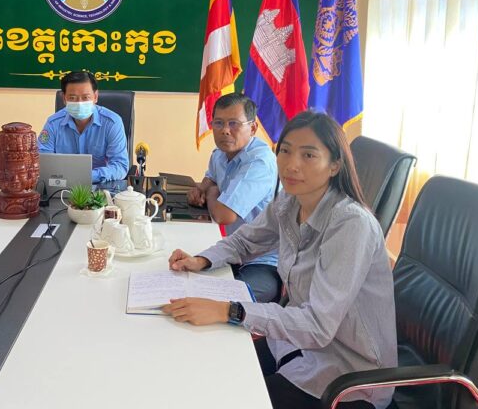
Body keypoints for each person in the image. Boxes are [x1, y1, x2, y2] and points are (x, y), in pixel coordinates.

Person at [164, 111, 397, 409]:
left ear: (335, 165)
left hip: (347, 376)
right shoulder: (289, 202)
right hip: (294, 346)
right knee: (208, 368)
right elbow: (246, 240)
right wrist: (202, 260)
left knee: (226, 399)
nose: (291, 164)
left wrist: (230, 310)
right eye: (285, 151)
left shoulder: (350, 225)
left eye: (308, 155)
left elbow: (317, 325)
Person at [187, 93, 279, 302]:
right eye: (218, 123)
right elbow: (210, 179)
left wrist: (211, 192)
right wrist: (200, 190)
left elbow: (224, 215)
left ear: (253, 128)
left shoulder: (258, 163)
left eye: (233, 124)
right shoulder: (220, 154)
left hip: (263, 261)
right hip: (231, 250)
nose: (225, 130)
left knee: (221, 301)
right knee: (183, 281)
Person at [38, 70, 129, 183]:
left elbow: (120, 166)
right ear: (64, 99)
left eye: (85, 97)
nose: (79, 103)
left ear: (95, 97)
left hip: (100, 187)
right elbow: (42, 161)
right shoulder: (53, 123)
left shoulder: (112, 123)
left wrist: (88, 176)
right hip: (62, 185)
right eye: (72, 98)